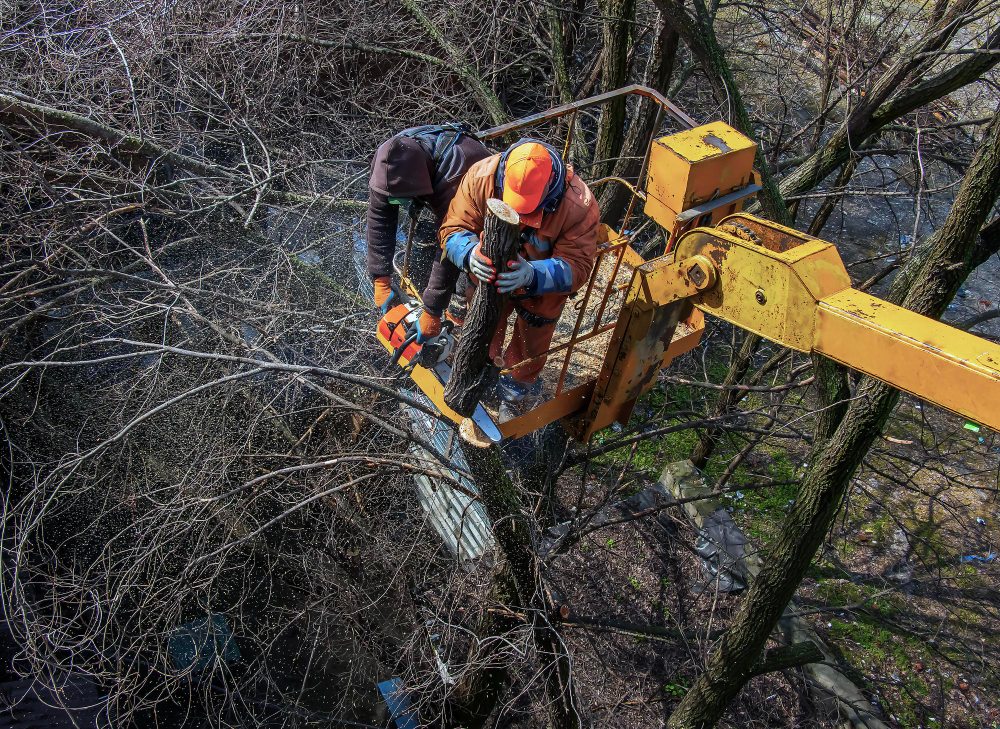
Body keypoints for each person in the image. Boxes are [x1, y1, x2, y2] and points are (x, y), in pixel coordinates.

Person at [419, 139, 600, 404]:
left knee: (533, 337)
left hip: (540, 288)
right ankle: (479, 372)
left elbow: (578, 266)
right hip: (489, 277)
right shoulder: (482, 177)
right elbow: (453, 228)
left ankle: (516, 391)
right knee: (483, 326)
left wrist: (533, 275)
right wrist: (468, 253)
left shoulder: (578, 205)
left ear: (550, 185)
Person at [366, 124, 490, 316]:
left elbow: (451, 241)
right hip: (434, 189)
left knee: (467, 269)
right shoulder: (387, 160)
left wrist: (433, 308)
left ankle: (458, 311)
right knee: (423, 247)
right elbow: (379, 218)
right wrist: (380, 277)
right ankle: (424, 299)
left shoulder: (457, 172)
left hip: (479, 205)